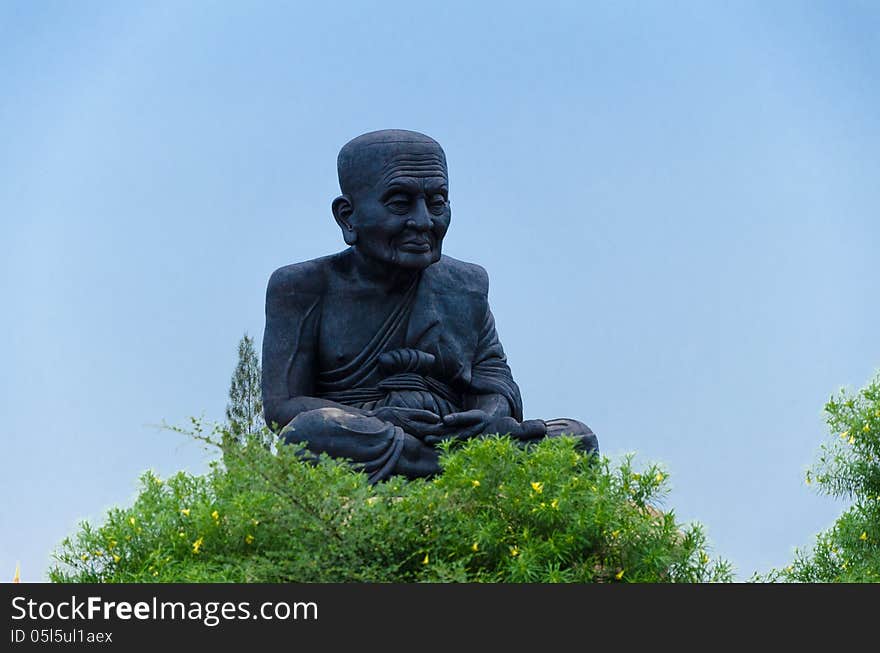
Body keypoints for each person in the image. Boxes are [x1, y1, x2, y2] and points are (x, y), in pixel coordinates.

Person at [262, 129, 597, 482]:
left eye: (437, 202)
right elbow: (283, 407)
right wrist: (383, 420)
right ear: (348, 216)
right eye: (400, 203)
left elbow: (496, 383)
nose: (424, 221)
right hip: (367, 436)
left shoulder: (467, 284)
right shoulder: (302, 287)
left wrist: (486, 416)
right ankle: (454, 470)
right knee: (308, 434)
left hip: (456, 439)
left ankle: (445, 463)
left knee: (577, 437)